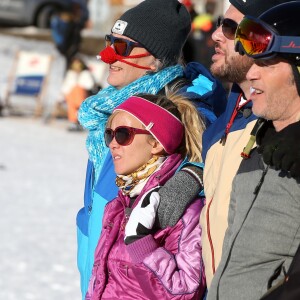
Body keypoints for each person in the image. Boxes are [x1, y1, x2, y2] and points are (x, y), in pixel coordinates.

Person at [76, 0, 227, 297]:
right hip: (100, 264)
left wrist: (193, 175)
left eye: (122, 47)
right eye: (110, 42)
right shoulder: (110, 110)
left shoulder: (178, 109)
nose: (107, 56)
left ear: (155, 59)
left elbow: (216, 156)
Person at [199, 0, 297, 288]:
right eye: (220, 24)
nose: (217, 35)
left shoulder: (278, 132)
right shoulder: (224, 123)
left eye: (231, 28)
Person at [85, 93, 206, 299]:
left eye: (123, 134)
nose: (112, 144)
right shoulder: (117, 205)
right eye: (109, 135)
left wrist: (141, 243)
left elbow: (185, 292)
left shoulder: (184, 208)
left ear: (156, 143)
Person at [61, 56, 95, 131]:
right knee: (72, 98)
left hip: (83, 95)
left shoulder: (86, 73)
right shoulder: (71, 74)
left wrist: (78, 80)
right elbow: (65, 87)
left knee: (77, 91)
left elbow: (89, 85)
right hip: (71, 96)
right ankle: (74, 121)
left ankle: (77, 119)